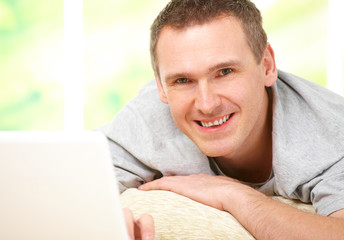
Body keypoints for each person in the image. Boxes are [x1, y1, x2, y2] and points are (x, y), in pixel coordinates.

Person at [100, 0, 344, 239]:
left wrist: (233, 194)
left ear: (267, 66)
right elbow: (72, 185)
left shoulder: (333, 134)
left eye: (225, 72)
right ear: (161, 87)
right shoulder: (148, 118)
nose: (207, 105)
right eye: (183, 80)